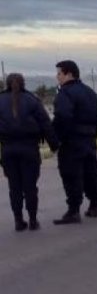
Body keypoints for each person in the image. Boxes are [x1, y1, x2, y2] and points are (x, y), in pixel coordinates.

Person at [0, 73, 59, 231]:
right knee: (30, 187)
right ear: (24, 84)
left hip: (7, 150)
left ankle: (18, 221)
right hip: (29, 150)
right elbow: (46, 124)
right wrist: (54, 145)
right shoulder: (33, 100)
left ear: (7, 84)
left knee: (14, 188)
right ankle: (33, 220)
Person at [52, 60, 97, 225]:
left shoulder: (65, 94)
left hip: (72, 141)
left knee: (71, 174)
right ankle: (94, 205)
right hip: (89, 140)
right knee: (91, 173)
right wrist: (93, 136)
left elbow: (63, 117)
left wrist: (59, 138)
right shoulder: (89, 92)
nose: (57, 77)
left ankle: (73, 210)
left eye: (59, 73)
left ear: (68, 74)